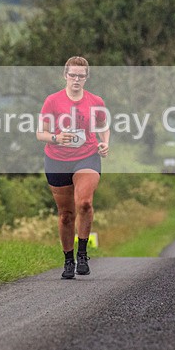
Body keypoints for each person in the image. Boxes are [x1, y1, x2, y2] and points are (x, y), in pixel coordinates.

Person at [37, 56, 110, 279]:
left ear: (86, 77)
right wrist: (57, 138)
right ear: (65, 75)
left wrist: (105, 142)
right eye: (72, 75)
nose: (76, 79)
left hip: (87, 156)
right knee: (66, 215)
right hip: (57, 159)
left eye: (81, 76)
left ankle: (82, 253)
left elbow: (103, 125)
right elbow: (40, 133)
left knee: (85, 203)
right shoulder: (52, 101)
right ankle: (68, 259)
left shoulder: (95, 101)